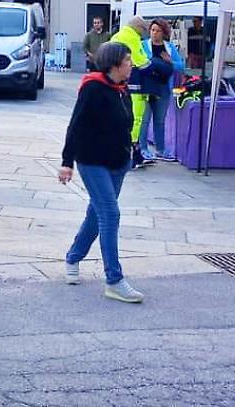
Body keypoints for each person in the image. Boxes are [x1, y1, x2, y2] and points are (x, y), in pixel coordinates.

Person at [59, 41, 144, 304]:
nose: (131, 64)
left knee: (96, 214)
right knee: (110, 213)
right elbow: (76, 125)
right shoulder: (93, 88)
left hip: (118, 162)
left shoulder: (122, 89)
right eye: (128, 60)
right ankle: (114, 280)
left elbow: (125, 125)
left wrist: (131, 153)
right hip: (92, 161)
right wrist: (66, 162)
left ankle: (73, 257)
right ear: (114, 64)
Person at [110, 16, 151, 169]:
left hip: (115, 82)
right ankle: (132, 150)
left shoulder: (117, 36)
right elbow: (142, 62)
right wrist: (154, 65)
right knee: (136, 116)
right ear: (139, 28)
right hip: (134, 82)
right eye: (144, 31)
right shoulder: (133, 38)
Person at [140, 18, 184, 162]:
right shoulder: (143, 45)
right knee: (144, 119)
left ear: (164, 33)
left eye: (158, 31)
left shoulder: (169, 47)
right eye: (152, 30)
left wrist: (170, 61)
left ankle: (161, 149)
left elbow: (180, 66)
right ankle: (142, 148)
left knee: (160, 120)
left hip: (163, 88)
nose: (154, 33)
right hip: (146, 87)